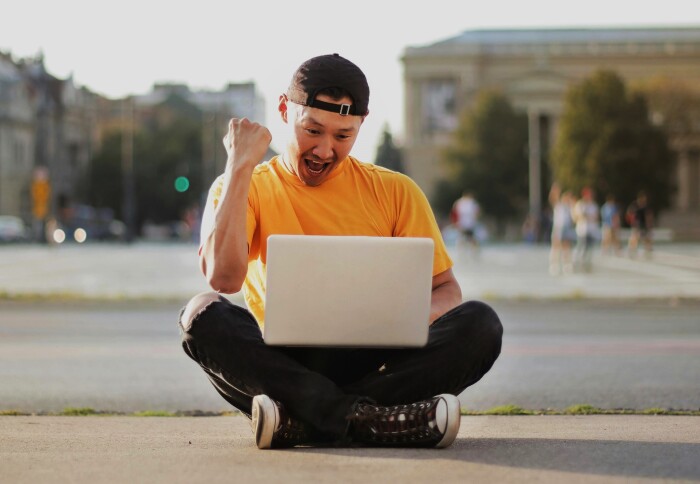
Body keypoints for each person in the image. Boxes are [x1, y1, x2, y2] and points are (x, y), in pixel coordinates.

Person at [178, 54, 503, 450]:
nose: (325, 149)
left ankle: (306, 420)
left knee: (481, 324)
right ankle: (370, 420)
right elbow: (223, 278)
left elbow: (446, 290)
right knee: (200, 314)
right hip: (282, 363)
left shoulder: (395, 191)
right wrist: (239, 166)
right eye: (312, 130)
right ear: (284, 110)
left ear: (361, 126)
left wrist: (398, 320)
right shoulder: (242, 185)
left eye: (342, 136)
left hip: (375, 360)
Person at [548, 184, 576, 275]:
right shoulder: (558, 205)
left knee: (566, 247)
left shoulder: (569, 208)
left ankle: (567, 265)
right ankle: (554, 265)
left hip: (566, 228)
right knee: (556, 246)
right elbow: (552, 199)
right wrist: (555, 191)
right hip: (558, 228)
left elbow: (573, 218)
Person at [572, 186, 600, 272]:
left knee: (590, 248)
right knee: (581, 247)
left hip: (591, 230)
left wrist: (587, 216)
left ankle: (587, 264)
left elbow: (596, 217)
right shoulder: (580, 204)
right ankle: (577, 263)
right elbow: (577, 216)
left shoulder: (593, 205)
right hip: (582, 230)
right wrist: (586, 216)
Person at [626, 191, 654, 258]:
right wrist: (632, 221)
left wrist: (649, 224)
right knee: (635, 238)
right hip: (637, 225)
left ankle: (648, 250)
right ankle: (632, 250)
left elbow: (649, 216)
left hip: (643, 225)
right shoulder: (635, 206)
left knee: (646, 238)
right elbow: (629, 213)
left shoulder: (646, 207)